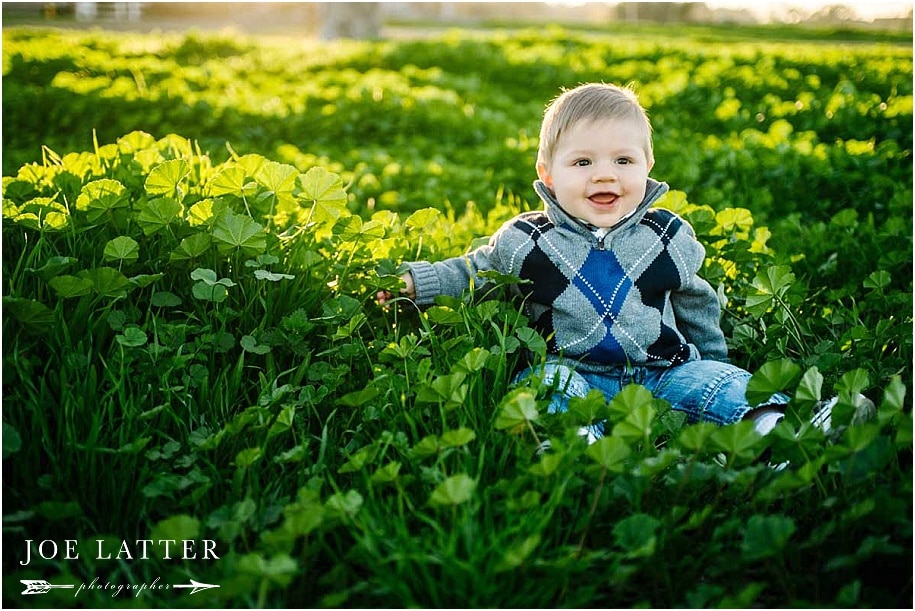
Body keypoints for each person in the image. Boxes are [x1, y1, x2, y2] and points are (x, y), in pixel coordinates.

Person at [376, 82, 873, 448]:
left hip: (662, 370)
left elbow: (697, 301)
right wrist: (416, 283)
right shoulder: (528, 240)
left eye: (622, 161)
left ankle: (783, 429)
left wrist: (716, 358)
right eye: (583, 163)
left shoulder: (665, 237)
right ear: (547, 174)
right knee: (544, 387)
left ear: (647, 164)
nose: (604, 176)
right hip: (573, 368)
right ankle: (578, 448)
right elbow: (476, 271)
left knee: (712, 385)